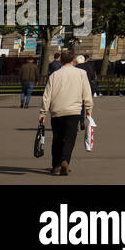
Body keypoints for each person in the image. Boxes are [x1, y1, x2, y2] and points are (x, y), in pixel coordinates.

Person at [37, 49, 92, 177]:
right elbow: (87, 93)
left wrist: (43, 112)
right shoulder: (81, 73)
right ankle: (64, 161)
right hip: (74, 110)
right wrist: (89, 109)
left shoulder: (54, 75)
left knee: (57, 138)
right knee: (69, 139)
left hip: (57, 111)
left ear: (61, 61)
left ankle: (55, 165)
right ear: (73, 60)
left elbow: (47, 95)